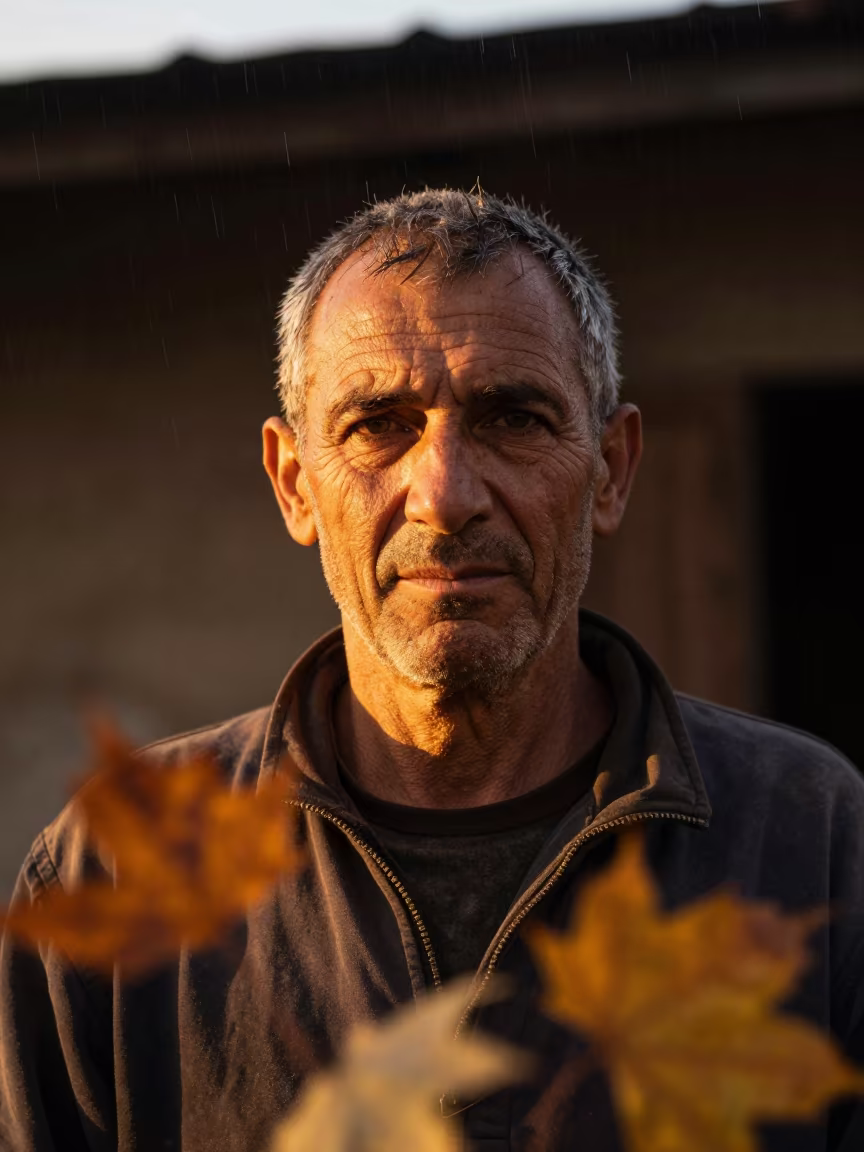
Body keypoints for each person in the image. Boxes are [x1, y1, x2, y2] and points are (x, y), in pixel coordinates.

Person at [2, 189, 863, 1152]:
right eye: (378, 425)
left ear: (612, 471)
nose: (446, 496)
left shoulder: (817, 840)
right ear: (294, 483)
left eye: (512, 418)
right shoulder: (115, 869)